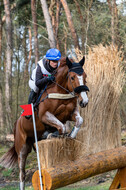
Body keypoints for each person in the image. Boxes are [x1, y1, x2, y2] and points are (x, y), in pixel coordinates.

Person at [26, 48, 61, 119]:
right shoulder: (41, 66)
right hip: (35, 81)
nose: (55, 63)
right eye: (53, 61)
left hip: (49, 82)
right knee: (35, 88)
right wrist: (47, 78)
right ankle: (28, 110)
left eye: (57, 61)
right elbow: (38, 83)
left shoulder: (59, 65)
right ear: (48, 60)